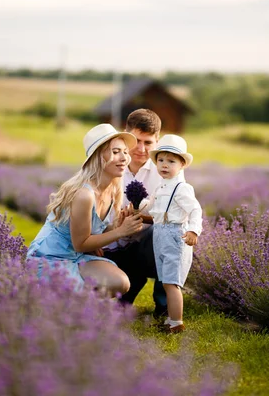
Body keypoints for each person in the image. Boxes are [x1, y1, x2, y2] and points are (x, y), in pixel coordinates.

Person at [26, 123, 144, 296]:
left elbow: (92, 233)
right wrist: (120, 232)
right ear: (98, 156)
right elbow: (81, 243)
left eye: (125, 152)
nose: (124, 157)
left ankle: (74, 300)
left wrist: (118, 225)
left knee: (121, 282)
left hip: (76, 256)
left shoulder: (112, 189)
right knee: (73, 300)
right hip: (50, 256)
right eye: (115, 151)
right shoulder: (84, 195)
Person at [103, 109, 181, 317]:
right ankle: (127, 289)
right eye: (136, 140)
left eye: (148, 143)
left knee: (170, 233)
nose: (141, 148)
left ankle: (164, 306)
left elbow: (178, 212)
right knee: (104, 309)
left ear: (157, 141)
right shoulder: (110, 164)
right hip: (110, 245)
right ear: (125, 136)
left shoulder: (167, 170)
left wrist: (143, 217)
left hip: (146, 245)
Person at [145, 134, 202, 333]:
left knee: (172, 282)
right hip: (160, 234)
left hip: (174, 235)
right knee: (165, 279)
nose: (164, 165)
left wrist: (194, 230)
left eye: (171, 161)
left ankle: (176, 322)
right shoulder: (161, 186)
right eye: (161, 160)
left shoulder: (182, 188)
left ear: (182, 165)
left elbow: (195, 210)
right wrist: (137, 207)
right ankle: (170, 319)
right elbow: (150, 205)